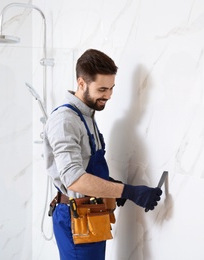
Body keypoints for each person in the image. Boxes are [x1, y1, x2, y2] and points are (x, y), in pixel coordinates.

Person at [43, 49, 162, 260]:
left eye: (111, 88)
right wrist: (128, 192)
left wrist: (110, 187)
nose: (108, 95)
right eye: (102, 89)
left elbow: (87, 164)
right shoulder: (65, 120)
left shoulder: (86, 115)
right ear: (81, 83)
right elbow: (73, 178)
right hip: (76, 218)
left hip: (92, 215)